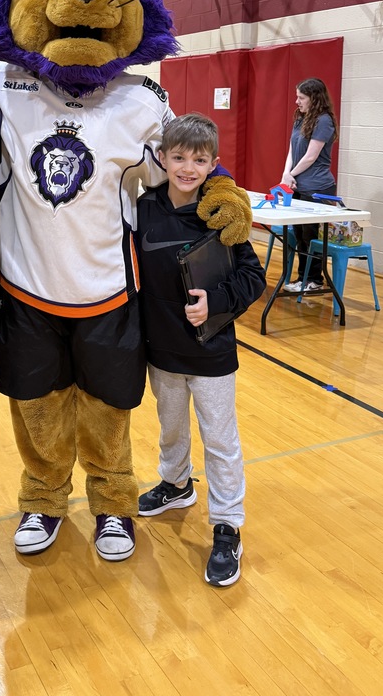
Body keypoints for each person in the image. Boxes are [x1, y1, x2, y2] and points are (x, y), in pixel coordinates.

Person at [136, 114, 266, 586]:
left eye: (199, 159)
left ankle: (227, 524)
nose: (188, 167)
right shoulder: (143, 208)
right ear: (163, 158)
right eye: (179, 157)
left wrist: (217, 302)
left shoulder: (220, 214)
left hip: (211, 353)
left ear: (214, 164)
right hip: (162, 351)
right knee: (170, 429)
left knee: (220, 440)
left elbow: (254, 277)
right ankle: (175, 484)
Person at [280, 77, 339, 292]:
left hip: (317, 187)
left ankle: (314, 279)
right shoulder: (301, 118)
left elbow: (311, 156)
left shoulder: (324, 120)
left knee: (311, 236)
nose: (297, 101)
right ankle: (302, 277)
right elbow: (292, 151)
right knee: (299, 236)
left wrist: (291, 174)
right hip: (297, 185)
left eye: (301, 97)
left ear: (314, 99)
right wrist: (286, 174)